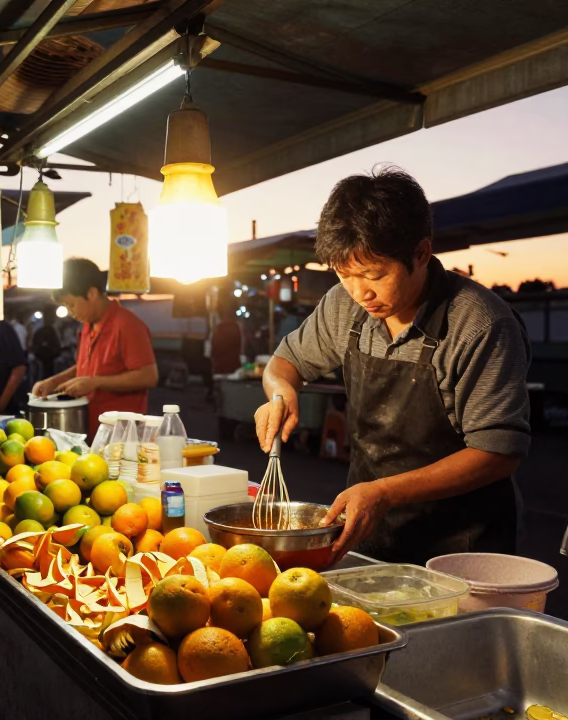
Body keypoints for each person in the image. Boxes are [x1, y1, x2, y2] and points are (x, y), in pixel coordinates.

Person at [256, 167, 531, 564]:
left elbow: (498, 454)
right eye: (345, 275)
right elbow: (285, 362)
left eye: (374, 275)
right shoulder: (343, 305)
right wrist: (281, 393)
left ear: (421, 254)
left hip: (463, 545)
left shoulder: (480, 324)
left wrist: (384, 492)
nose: (359, 292)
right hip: (372, 531)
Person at [32, 258, 158, 437]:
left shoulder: (127, 325)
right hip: (92, 428)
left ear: (91, 293)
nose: (70, 312)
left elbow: (148, 376)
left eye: (71, 304)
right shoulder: (87, 326)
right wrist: (54, 382)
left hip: (122, 434)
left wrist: (96, 382)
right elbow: (86, 368)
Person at [30, 304, 62, 381]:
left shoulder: (54, 329)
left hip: (52, 361)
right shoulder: (39, 331)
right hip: (42, 361)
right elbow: (34, 345)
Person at [210, 305, 243, 375]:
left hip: (220, 365)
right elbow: (239, 345)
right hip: (233, 365)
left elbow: (214, 347)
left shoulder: (219, 329)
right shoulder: (235, 327)